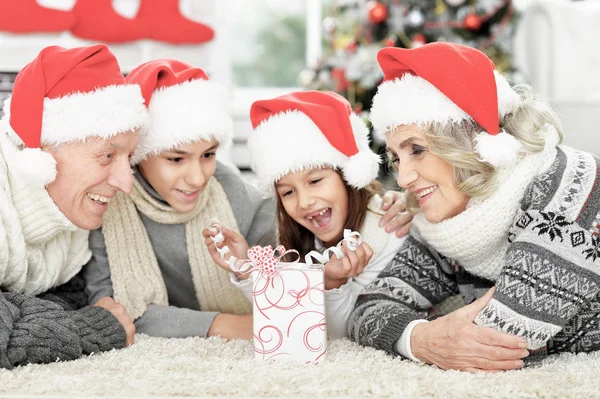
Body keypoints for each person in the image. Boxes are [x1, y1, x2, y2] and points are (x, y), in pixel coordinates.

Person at [349, 42, 600, 372]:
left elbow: (503, 343)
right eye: (396, 158)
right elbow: (366, 310)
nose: (405, 177)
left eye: (418, 150)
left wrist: (428, 333)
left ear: (469, 141)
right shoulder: (447, 217)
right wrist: (420, 337)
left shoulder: (569, 190)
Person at [82, 59, 277, 340]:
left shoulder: (241, 200)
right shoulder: (108, 205)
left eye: (208, 155)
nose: (198, 178)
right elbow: (115, 311)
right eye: (176, 159)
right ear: (139, 154)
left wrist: (248, 269)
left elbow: (288, 291)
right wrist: (221, 324)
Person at [205, 91, 410, 338]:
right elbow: (284, 318)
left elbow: (344, 334)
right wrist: (245, 268)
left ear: (348, 175)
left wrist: (333, 283)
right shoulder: (298, 235)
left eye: (315, 180)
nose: (304, 201)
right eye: (288, 192)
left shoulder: (388, 230)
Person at [0, 44, 148, 369]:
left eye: (129, 158)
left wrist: (14, 309)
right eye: (107, 155)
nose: (126, 183)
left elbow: (72, 297)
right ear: (41, 150)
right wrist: (93, 328)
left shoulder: (69, 223)